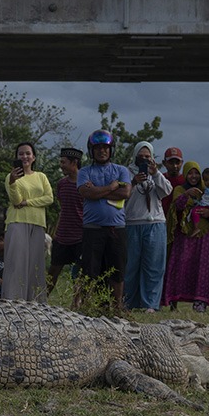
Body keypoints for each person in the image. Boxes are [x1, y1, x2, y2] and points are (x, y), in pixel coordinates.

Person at [77, 130, 132, 307]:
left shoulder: (121, 170)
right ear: (91, 150)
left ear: (111, 150)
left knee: (117, 270)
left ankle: (117, 307)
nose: (102, 151)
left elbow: (126, 192)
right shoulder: (84, 171)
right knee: (89, 270)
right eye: (98, 148)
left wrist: (97, 190)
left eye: (105, 148)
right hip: (92, 228)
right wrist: (111, 187)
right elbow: (86, 193)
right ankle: (87, 306)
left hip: (117, 228)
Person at [162, 162, 209, 312]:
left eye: (196, 173)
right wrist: (187, 194)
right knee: (179, 266)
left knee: (203, 267)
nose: (193, 176)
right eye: (190, 173)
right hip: (184, 234)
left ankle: (200, 302)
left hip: (204, 233)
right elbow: (176, 207)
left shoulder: (207, 189)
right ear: (185, 175)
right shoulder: (179, 189)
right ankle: (174, 301)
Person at [2, 142, 54, 302]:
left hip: (37, 223)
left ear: (34, 157)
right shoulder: (11, 178)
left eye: (28, 153)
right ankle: (13, 300)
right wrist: (13, 182)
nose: (24, 157)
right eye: (21, 154)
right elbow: (16, 200)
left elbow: (49, 198)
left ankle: (35, 301)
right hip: (17, 222)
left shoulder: (41, 177)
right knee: (16, 263)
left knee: (36, 265)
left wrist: (27, 202)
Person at [124, 141, 172, 312]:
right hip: (132, 222)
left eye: (147, 157)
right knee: (130, 266)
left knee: (154, 266)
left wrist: (156, 173)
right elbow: (121, 195)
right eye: (141, 156)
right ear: (135, 156)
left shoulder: (155, 173)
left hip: (155, 223)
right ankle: (128, 301)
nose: (144, 159)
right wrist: (133, 181)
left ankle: (150, 304)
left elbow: (167, 191)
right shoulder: (126, 172)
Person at [47, 147, 84, 298]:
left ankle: (77, 303)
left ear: (74, 163)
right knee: (53, 270)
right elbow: (63, 208)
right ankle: (42, 299)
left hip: (81, 235)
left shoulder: (86, 184)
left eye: (64, 162)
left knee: (80, 274)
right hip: (62, 235)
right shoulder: (61, 184)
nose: (61, 165)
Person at [160, 147, 185, 215]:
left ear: (182, 163)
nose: (175, 166)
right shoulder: (160, 179)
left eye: (177, 163)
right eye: (171, 163)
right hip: (162, 218)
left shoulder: (186, 181)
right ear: (164, 163)